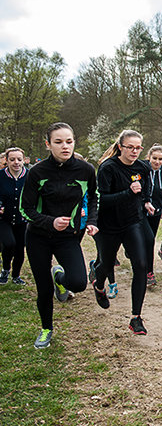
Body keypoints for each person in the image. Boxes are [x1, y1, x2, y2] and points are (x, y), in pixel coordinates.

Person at [20, 122, 98, 348]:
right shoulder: (37, 172)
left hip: (67, 237)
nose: (65, 146)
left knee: (79, 283)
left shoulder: (85, 170)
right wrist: (50, 222)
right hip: (38, 236)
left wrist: (92, 221)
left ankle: (60, 279)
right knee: (43, 288)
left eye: (69, 141)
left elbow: (94, 197)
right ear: (48, 144)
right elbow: (25, 208)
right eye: (58, 142)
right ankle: (46, 329)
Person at [92, 130, 155, 335]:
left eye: (138, 148)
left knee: (141, 265)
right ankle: (99, 285)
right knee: (106, 264)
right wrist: (129, 192)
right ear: (120, 147)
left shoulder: (143, 167)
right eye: (130, 147)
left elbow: (145, 190)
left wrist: (146, 202)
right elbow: (102, 200)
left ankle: (136, 318)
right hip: (108, 225)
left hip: (132, 222)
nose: (134, 151)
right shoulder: (108, 168)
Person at [144, 144, 162, 286]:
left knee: (150, 240)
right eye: (154, 158)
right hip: (139, 212)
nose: (157, 161)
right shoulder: (142, 169)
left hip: (155, 212)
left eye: (160, 159)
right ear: (149, 157)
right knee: (142, 240)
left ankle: (149, 272)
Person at [0, 148, 28, 285]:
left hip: (22, 219)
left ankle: (16, 275)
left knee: (20, 249)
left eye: (19, 159)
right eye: (12, 159)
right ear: (7, 160)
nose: (16, 162)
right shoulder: (1, 176)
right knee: (9, 243)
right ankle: (5, 270)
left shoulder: (29, 176)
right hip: (3, 218)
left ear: (24, 160)